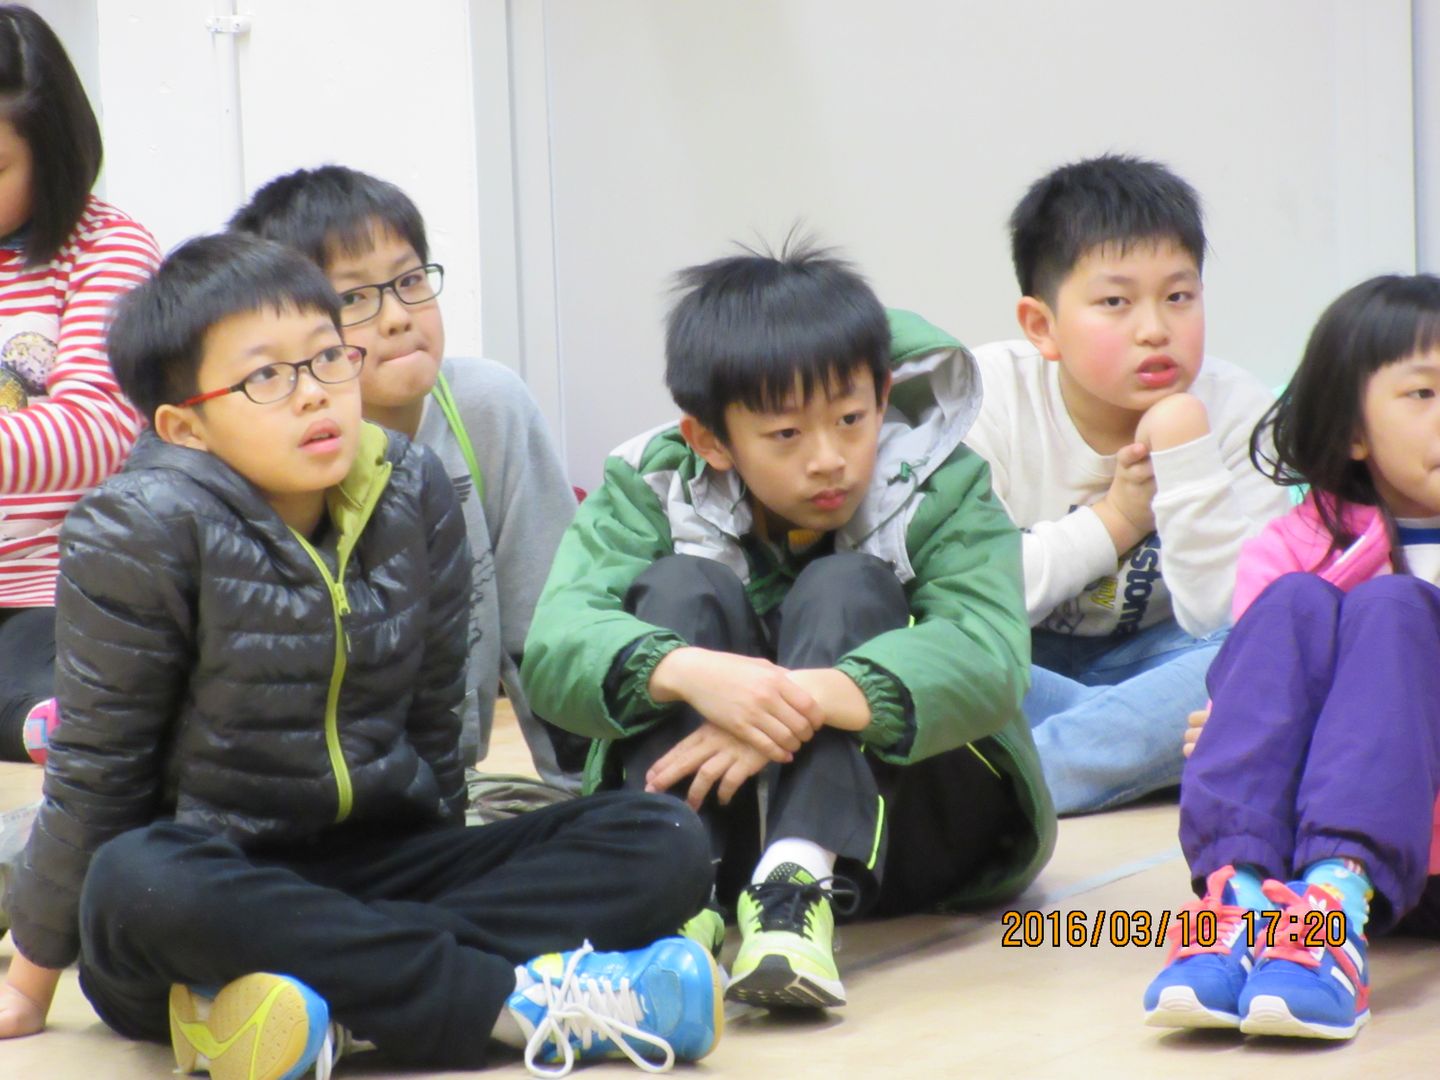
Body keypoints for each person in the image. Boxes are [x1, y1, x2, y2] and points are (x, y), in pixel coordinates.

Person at [0, 233, 721, 1079]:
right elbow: (97, 771)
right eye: (267, 378)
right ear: (184, 427)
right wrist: (29, 986)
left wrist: (440, 860)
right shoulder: (137, 529)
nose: (314, 394)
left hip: (379, 866)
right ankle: (513, 1003)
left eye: (326, 359)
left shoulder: (411, 489)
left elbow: (437, 725)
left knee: (663, 837)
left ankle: (317, 1008)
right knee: (133, 879)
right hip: (215, 882)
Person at [521, 240, 1054, 1011]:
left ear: (883, 393)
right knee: (677, 588)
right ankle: (681, 899)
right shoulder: (651, 484)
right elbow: (555, 647)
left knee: (848, 586)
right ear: (709, 439)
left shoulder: (942, 483)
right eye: (786, 436)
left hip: (911, 836)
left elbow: (989, 654)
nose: (830, 459)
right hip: (710, 829)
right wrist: (692, 674)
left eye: (851, 418)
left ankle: (797, 881)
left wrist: (787, 703)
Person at [1143, 274, 1440, 1041]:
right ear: (1353, 431)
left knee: (1394, 609)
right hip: (1296, 858)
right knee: (1296, 603)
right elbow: (1258, 704)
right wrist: (1232, 721)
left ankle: (1332, 915)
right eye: (1423, 393)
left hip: (1420, 857)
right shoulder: (1290, 547)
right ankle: (1237, 907)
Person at [229, 166, 581, 790]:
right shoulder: (270, 448)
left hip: (449, 787)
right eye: (353, 298)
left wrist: (580, 801)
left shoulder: (486, 406)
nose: (397, 316)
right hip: (306, 798)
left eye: (410, 280)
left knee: (646, 829)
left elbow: (550, 631)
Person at [965, 154, 1291, 814]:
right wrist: (1116, 519)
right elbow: (972, 595)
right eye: (1115, 302)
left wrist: (1187, 456)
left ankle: (1006, 787)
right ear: (1042, 326)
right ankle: (1145, 752)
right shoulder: (985, 397)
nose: (1155, 329)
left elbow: (1246, 614)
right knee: (924, 640)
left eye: (1179, 297)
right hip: (1021, 663)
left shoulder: (1238, 409)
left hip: (1165, 656)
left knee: (1276, 652)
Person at [0, 4, 160, 764]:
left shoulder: (107, 248)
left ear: (54, 151)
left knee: (59, 693)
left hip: (56, 585)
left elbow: (98, 430)